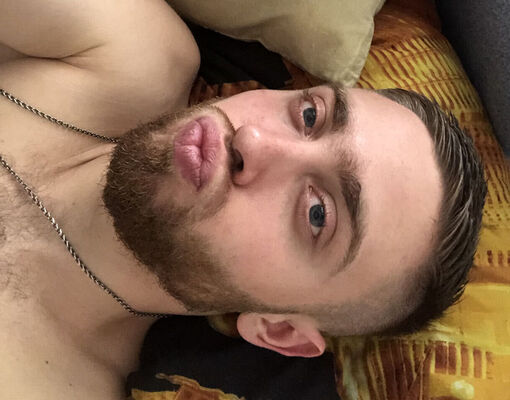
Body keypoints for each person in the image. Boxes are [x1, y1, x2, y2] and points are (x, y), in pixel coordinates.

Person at [0, 1, 486, 399]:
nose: (253, 139)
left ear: (278, 329)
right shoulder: (130, 54)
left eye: (318, 214)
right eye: (310, 116)